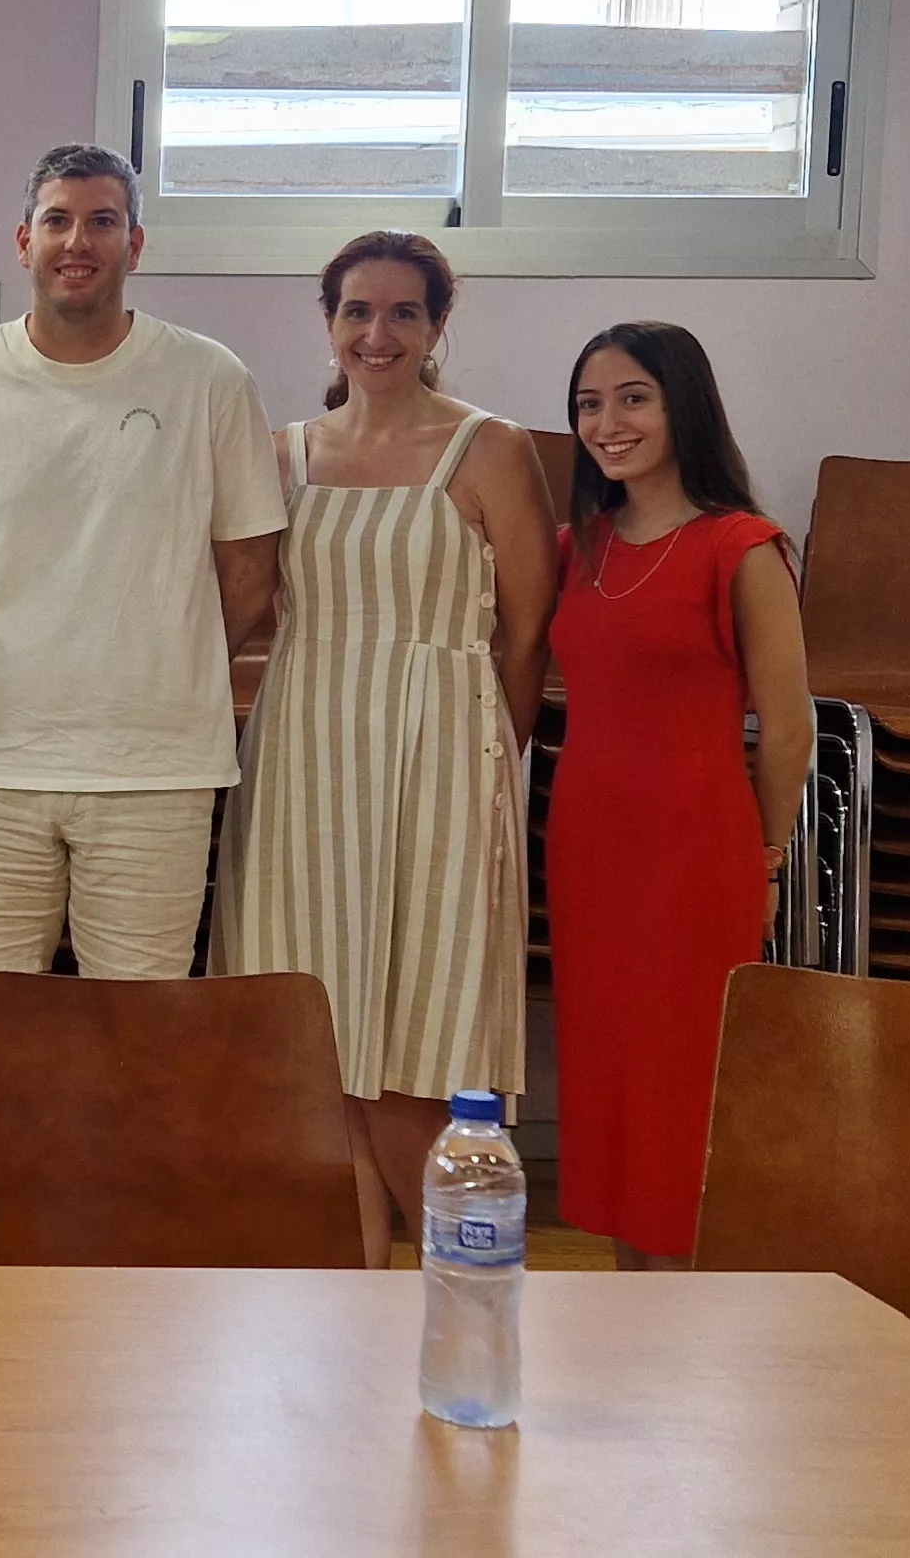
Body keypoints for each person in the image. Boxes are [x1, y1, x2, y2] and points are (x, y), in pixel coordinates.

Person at [0, 144, 286, 1150]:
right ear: (23, 239)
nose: (80, 242)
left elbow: (248, 570)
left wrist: (157, 656)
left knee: (143, 1033)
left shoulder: (207, 378)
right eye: (59, 220)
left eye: (102, 221)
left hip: (154, 766)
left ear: (135, 243)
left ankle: (127, 1268)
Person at [211, 231, 558, 1267]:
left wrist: (477, 763)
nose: (378, 333)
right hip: (303, 753)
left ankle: (475, 1291)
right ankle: (349, 1301)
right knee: (314, 1056)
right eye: (357, 311)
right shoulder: (284, 453)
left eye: (403, 312)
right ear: (327, 324)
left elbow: (528, 633)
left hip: (441, 753)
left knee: (418, 1052)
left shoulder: (491, 449)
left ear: (437, 326)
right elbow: (243, 601)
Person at [547, 321, 814, 1270]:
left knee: (679, 1087)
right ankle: (633, 1304)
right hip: (587, 848)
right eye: (589, 403)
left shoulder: (743, 546)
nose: (607, 422)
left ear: (682, 407)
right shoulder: (576, 546)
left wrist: (768, 856)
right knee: (612, 1084)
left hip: (693, 851)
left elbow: (787, 728)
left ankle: (686, 1328)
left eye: (633, 398)